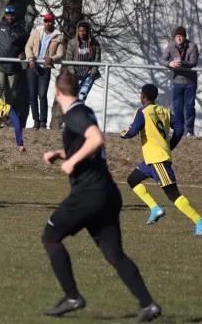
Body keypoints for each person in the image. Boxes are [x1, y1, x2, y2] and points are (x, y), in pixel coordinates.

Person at [41, 71, 160, 322]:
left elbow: (96, 139)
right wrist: (62, 153)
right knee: (114, 254)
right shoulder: (83, 111)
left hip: (89, 193)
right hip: (107, 192)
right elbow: (87, 144)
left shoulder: (74, 114)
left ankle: (72, 296)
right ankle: (148, 304)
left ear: (57, 92)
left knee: (50, 236)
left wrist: (71, 160)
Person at [121, 84, 202, 236]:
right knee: (132, 179)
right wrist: (170, 145)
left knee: (173, 194)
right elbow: (179, 128)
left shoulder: (142, 111)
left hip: (157, 160)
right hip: (150, 161)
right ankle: (155, 208)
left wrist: (123, 134)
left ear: (143, 96)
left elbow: (132, 130)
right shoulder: (165, 111)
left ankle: (200, 221)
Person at [25, 13, 64, 129]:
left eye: (50, 21)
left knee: (42, 95)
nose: (48, 23)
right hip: (33, 66)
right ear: (43, 21)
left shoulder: (58, 36)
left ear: (53, 22)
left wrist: (51, 58)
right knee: (32, 95)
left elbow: (60, 53)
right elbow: (28, 46)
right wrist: (30, 58)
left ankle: (43, 122)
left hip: (45, 68)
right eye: (46, 21)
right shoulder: (37, 31)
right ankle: (35, 121)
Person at [159, 26, 199, 138]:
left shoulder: (192, 46)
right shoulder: (171, 45)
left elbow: (193, 62)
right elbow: (162, 59)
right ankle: (179, 130)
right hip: (177, 82)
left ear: (184, 37)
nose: (179, 39)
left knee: (190, 106)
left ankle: (189, 131)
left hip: (190, 82)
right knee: (177, 107)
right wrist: (169, 64)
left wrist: (182, 63)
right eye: (177, 37)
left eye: (181, 37)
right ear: (175, 37)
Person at [0, 5, 28, 106]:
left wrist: (23, 54)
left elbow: (25, 46)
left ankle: (6, 117)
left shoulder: (21, 30)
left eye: (12, 15)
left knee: (10, 93)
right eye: (8, 15)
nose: (10, 17)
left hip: (13, 66)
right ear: (4, 15)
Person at [64, 21, 101, 103]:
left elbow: (97, 58)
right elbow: (68, 59)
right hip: (75, 74)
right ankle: (74, 114)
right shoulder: (72, 43)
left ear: (87, 31)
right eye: (80, 31)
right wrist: (72, 73)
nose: (82, 33)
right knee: (73, 98)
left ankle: (80, 114)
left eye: (84, 31)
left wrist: (93, 71)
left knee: (81, 96)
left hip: (88, 75)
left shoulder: (94, 43)